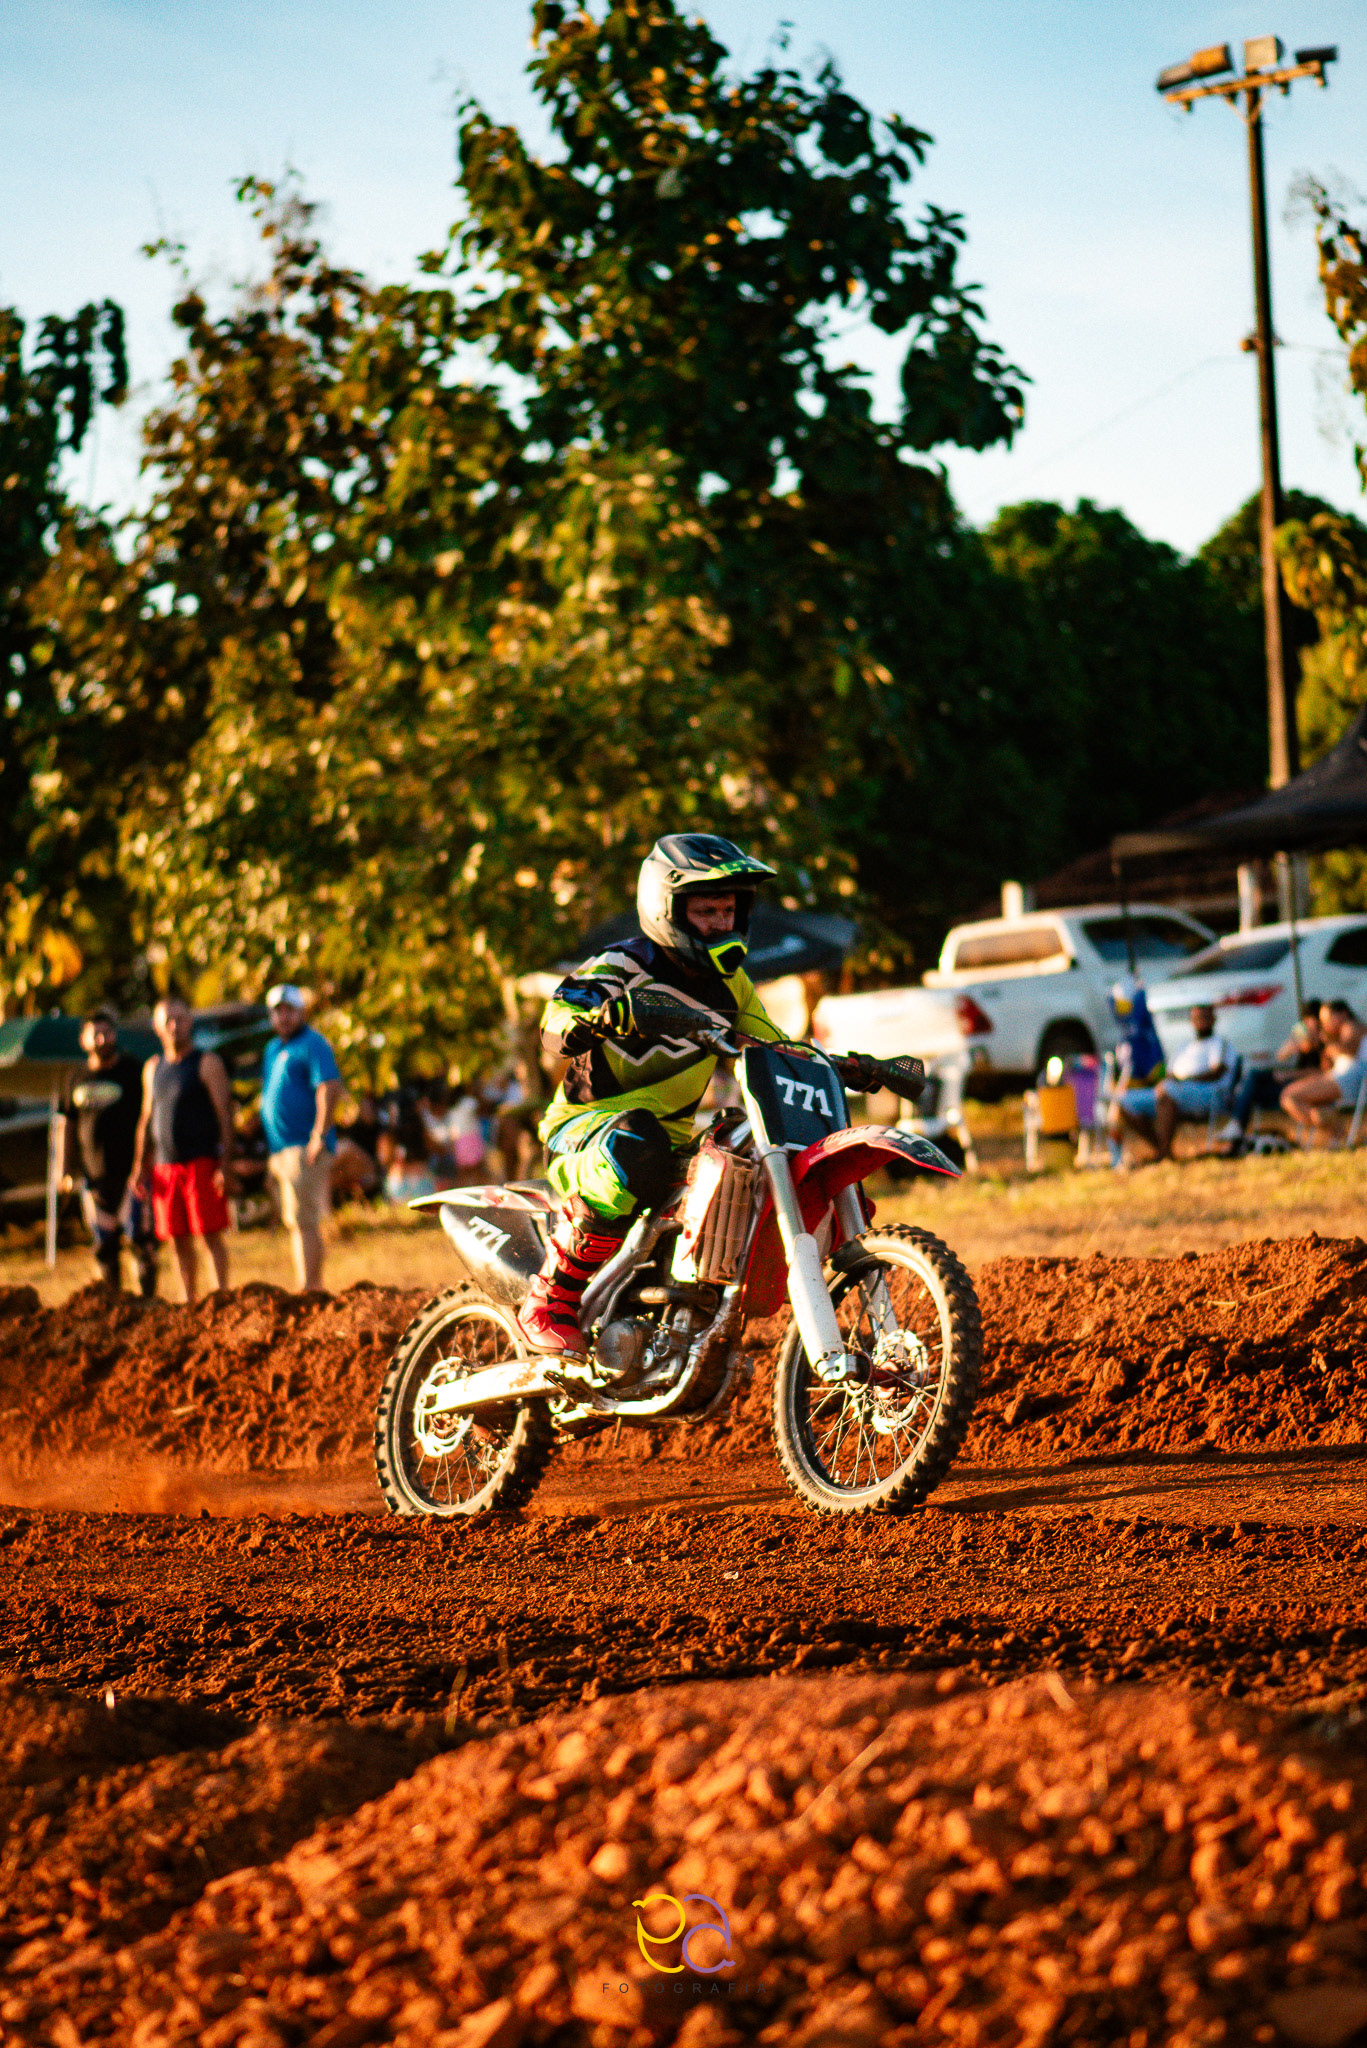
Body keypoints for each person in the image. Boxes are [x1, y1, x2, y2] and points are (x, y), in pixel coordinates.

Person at [518, 833, 784, 1359]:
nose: (722, 924)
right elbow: (555, 1021)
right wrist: (600, 1017)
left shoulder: (733, 987)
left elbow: (775, 1049)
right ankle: (548, 1300)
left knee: (742, 1152)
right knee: (636, 1144)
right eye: (706, 911)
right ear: (668, 909)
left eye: (728, 910)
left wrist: (849, 1066)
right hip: (585, 1132)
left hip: (669, 1143)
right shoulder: (622, 965)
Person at [130, 996, 236, 1302]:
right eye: (168, 1020)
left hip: (201, 1163)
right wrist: (139, 1166)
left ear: (190, 1022)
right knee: (176, 1240)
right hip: (165, 1167)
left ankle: (221, 1298)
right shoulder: (153, 1068)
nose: (175, 1026)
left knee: (210, 1235)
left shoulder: (207, 1063)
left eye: (181, 1019)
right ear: (157, 1027)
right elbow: (146, 1118)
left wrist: (226, 1164)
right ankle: (189, 1301)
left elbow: (225, 1114)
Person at [59, 1007, 158, 1295]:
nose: (102, 1040)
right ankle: (114, 1305)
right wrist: (65, 1169)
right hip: (94, 1179)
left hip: (132, 1175)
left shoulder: (132, 1071)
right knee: (105, 1248)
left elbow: (149, 1118)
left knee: (143, 1244)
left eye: (107, 1033)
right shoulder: (75, 1077)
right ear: (83, 1041)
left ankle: (149, 1304)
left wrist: (146, 1162)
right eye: (96, 1035)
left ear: (115, 1035)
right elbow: (67, 1125)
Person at [260, 983, 342, 1291]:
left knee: (303, 1219)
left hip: (304, 1145)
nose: (284, 1017)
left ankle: (311, 1287)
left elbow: (328, 1086)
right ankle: (306, 1284)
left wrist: (319, 1134)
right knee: (294, 1220)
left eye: (289, 1010)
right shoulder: (273, 1049)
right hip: (280, 1148)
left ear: (302, 1012)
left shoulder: (313, 1043)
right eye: (278, 1011)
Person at [1112, 1003, 1232, 1164]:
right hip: (1172, 1091)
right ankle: (1162, 1150)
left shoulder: (1219, 1044)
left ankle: (1162, 1153)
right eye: (1196, 1019)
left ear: (1213, 1019)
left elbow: (1217, 1072)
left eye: (1204, 1018)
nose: (1200, 1022)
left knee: (1168, 1091)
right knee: (1124, 1101)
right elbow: (1169, 1074)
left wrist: (1183, 1081)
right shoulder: (1184, 1046)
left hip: (1207, 1094)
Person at [1216, 999, 1325, 1146]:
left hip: (1303, 1089)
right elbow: (1280, 1059)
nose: (1307, 1026)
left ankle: (1236, 1123)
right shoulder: (1303, 1040)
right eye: (1304, 1022)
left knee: (1254, 1078)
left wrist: (1287, 1075)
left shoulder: (1324, 1044)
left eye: (1310, 1022)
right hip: (1290, 1085)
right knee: (1252, 1082)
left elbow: (1321, 1072)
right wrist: (1289, 1050)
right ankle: (1237, 1126)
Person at [1281, 999, 1367, 1143]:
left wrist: (1323, 1040)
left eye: (1328, 1019)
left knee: (1290, 1097)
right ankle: (1334, 1128)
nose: (1325, 1024)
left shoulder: (1351, 1025)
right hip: (1343, 1078)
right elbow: (1326, 1065)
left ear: (1343, 1014)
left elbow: (1348, 1049)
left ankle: (1337, 1131)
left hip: (1350, 1079)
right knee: (1290, 1097)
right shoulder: (1341, 1032)